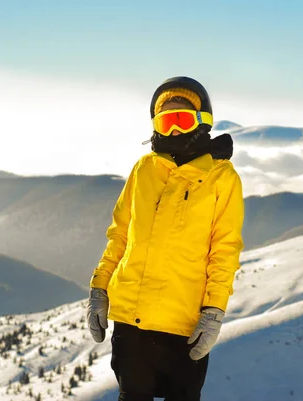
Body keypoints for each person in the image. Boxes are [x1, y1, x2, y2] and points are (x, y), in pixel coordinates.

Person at [86, 76, 244, 401]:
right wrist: (99, 288)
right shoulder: (144, 169)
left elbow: (224, 250)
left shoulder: (221, 177)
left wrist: (214, 310)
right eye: (165, 121)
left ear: (202, 122)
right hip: (131, 321)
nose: (173, 131)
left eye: (181, 120)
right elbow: (119, 235)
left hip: (184, 324)